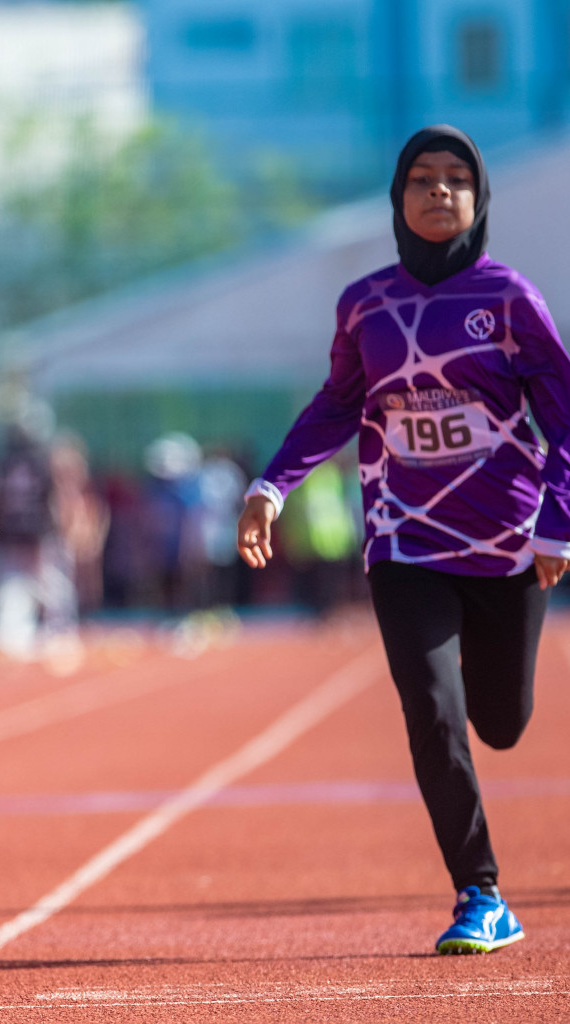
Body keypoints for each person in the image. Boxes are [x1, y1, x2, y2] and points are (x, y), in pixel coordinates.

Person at [237, 125, 569, 956]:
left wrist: (559, 522)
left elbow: (565, 418)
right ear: (398, 198)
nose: (439, 192)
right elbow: (335, 404)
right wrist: (272, 485)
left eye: (457, 180)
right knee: (431, 711)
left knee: (500, 722)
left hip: (505, 546)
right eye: (422, 179)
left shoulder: (511, 300)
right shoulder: (365, 304)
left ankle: (482, 859)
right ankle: (480, 892)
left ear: (477, 198)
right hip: (404, 542)